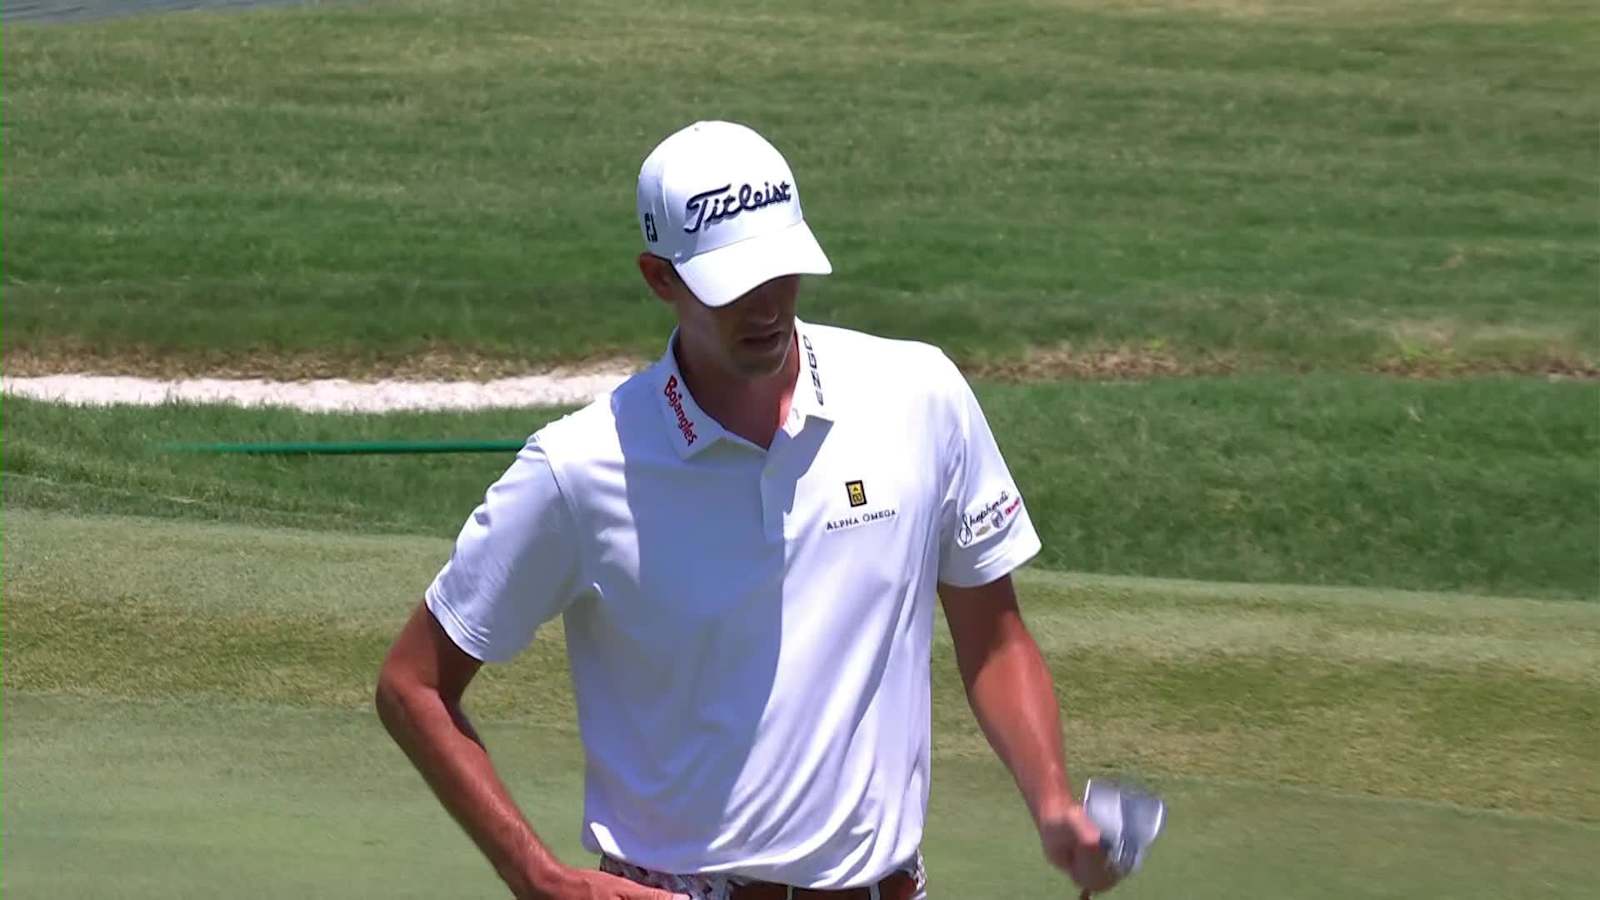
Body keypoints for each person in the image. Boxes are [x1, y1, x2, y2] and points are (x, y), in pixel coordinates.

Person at [375, 120, 1119, 900]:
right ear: (659, 279)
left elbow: (994, 638)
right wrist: (540, 878)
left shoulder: (919, 395)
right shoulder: (579, 467)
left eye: (783, 272)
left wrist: (1052, 800)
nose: (767, 306)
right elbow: (413, 684)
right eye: (733, 286)